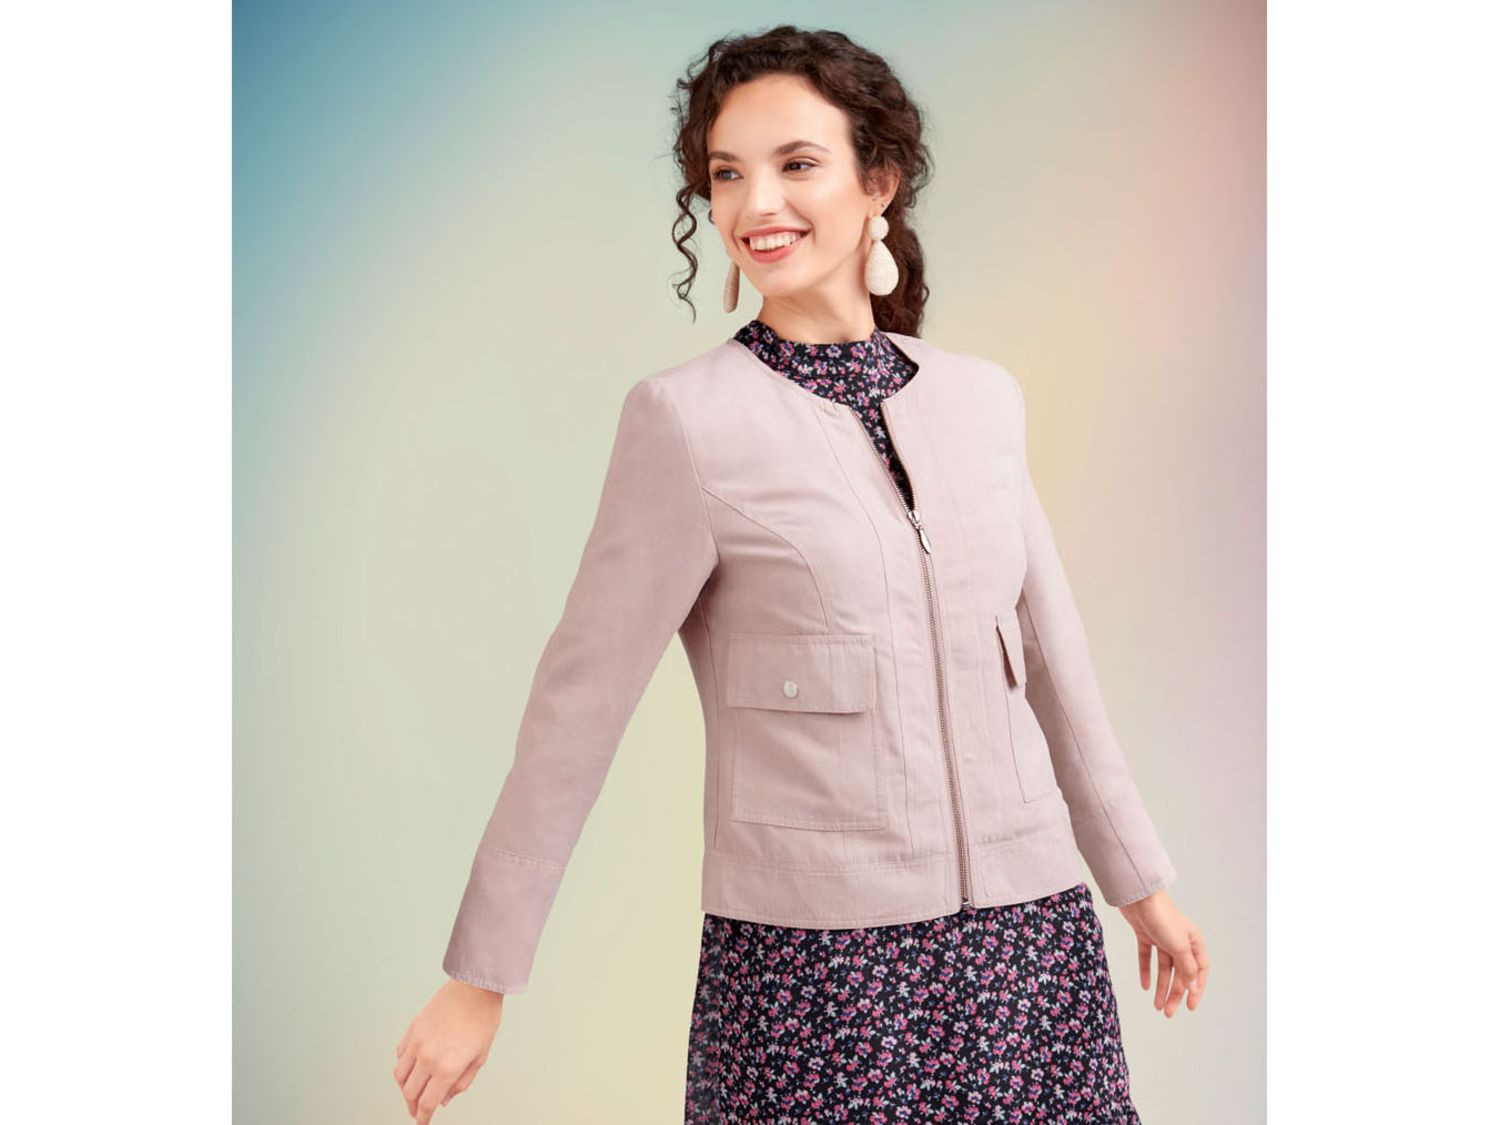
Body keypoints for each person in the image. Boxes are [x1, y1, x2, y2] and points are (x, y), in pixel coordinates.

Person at [394, 25, 1209, 1124]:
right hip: (817, 975)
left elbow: (1054, 661)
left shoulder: (981, 402)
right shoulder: (686, 423)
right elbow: (576, 707)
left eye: (796, 164)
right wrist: (480, 977)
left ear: (879, 182)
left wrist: (1139, 882)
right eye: (727, 174)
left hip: (1030, 949)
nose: (756, 203)